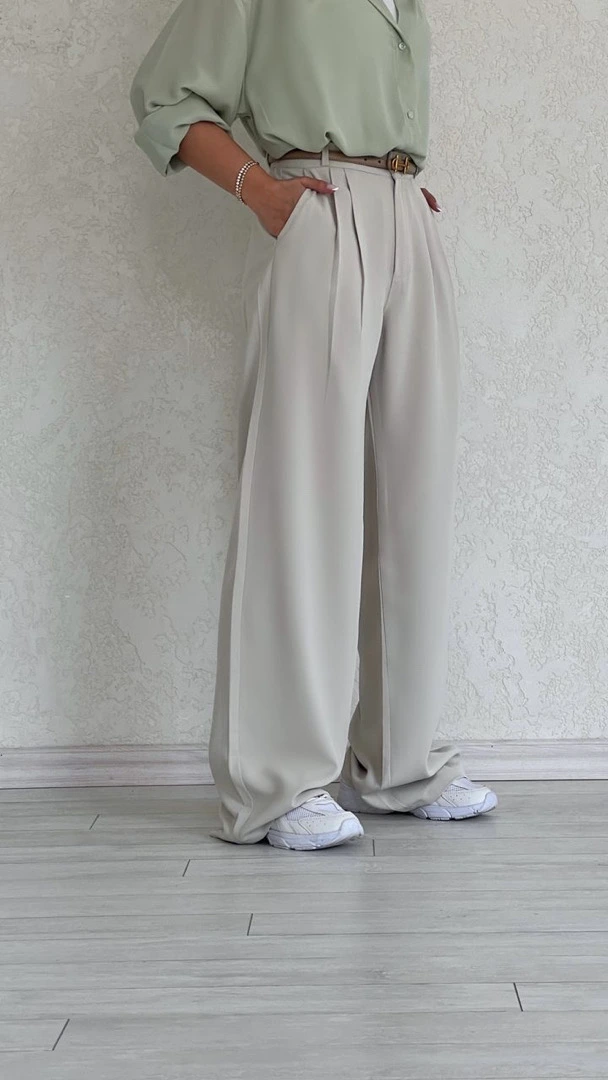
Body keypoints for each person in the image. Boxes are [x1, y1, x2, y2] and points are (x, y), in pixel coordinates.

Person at [129, 0, 498, 850]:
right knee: (300, 497)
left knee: (415, 499)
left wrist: (401, 196)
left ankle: (401, 762)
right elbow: (167, 96)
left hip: (408, 216)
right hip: (318, 208)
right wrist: (262, 192)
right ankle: (277, 781)